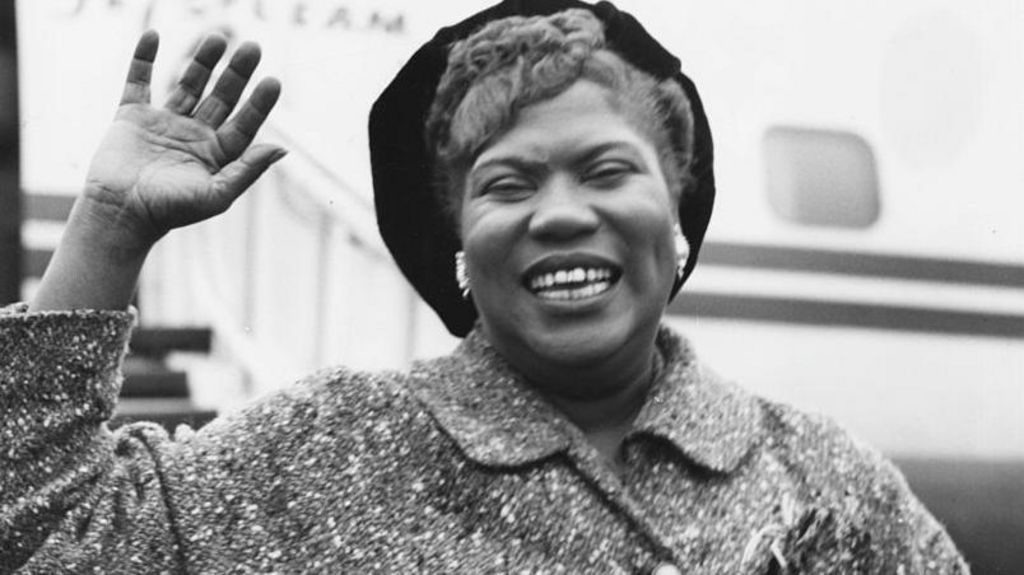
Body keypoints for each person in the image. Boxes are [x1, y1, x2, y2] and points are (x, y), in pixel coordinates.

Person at [0, 1, 968, 573]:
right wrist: (110, 225)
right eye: (506, 182)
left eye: (605, 169)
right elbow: (45, 539)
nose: (558, 213)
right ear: (459, 243)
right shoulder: (330, 446)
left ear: (676, 216)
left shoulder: (825, 479)